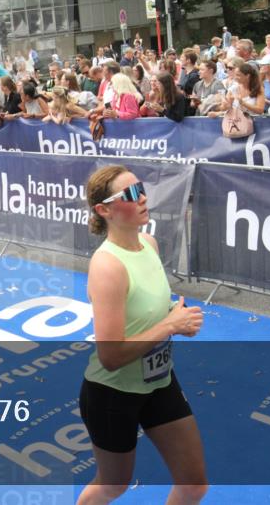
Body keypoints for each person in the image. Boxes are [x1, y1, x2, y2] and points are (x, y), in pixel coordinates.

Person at [79, 165, 207, 505]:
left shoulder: (148, 243)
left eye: (142, 189)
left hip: (159, 382)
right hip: (112, 394)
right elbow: (110, 356)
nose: (143, 198)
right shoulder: (107, 266)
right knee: (113, 485)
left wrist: (174, 317)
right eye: (131, 194)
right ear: (103, 210)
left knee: (194, 484)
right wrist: (170, 325)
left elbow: (146, 311)